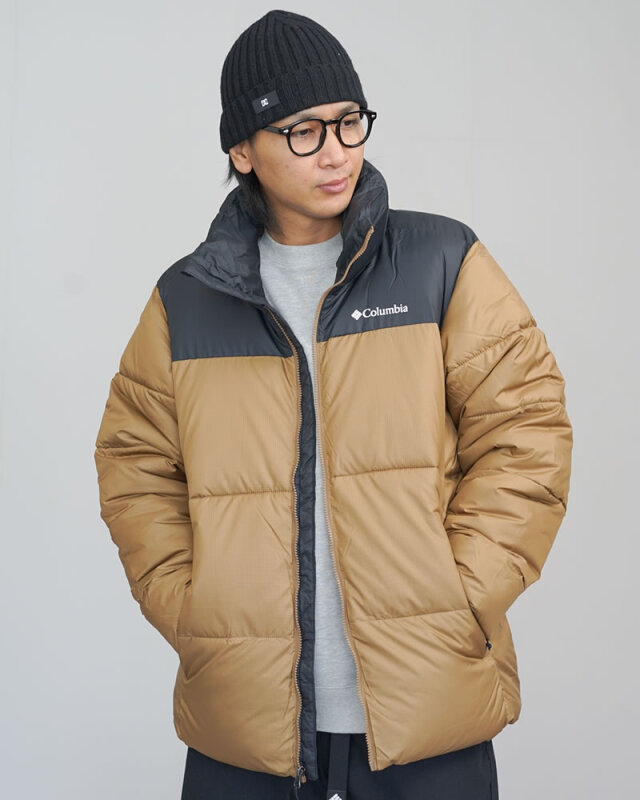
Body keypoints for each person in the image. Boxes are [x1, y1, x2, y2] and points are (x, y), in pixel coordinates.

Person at [94, 9, 573, 800]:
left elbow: (527, 430)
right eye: (304, 131)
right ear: (242, 151)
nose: (337, 152)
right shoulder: (187, 299)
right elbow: (134, 467)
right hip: (247, 726)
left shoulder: (440, 261)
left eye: (350, 122)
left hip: (428, 717)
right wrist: (196, 610)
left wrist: (458, 592)